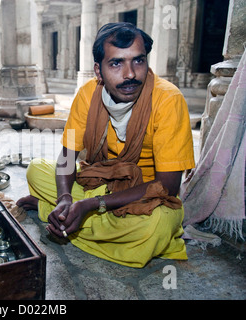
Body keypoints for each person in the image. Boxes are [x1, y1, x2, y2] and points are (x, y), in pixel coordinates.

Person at [16, 22, 195, 268]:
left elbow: (168, 187)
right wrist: (66, 198)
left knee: (159, 224)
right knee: (36, 168)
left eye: (138, 61)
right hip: (97, 184)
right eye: (116, 63)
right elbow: (67, 157)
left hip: (144, 197)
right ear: (98, 71)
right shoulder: (87, 94)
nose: (130, 74)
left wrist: (91, 205)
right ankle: (73, 215)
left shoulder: (168, 100)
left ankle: (55, 214)